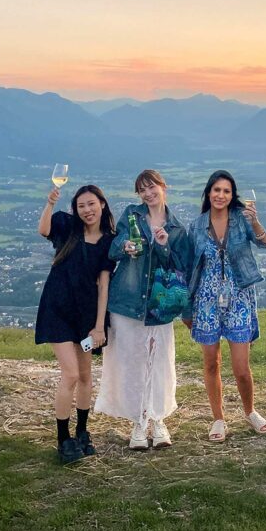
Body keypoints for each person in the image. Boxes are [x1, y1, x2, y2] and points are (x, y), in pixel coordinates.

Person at [95, 170, 192, 450]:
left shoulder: (177, 229)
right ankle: (138, 422)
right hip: (127, 302)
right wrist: (125, 245)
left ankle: (158, 419)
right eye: (142, 190)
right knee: (130, 362)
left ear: (164, 187)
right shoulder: (132, 216)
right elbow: (113, 249)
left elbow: (179, 268)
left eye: (152, 187)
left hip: (159, 304)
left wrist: (162, 247)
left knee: (159, 361)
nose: (148, 194)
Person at [186, 170, 266, 442]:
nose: (220, 195)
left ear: (232, 195)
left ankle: (250, 412)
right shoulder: (197, 226)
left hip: (239, 297)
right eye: (216, 190)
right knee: (211, 363)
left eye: (226, 191)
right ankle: (218, 419)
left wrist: (256, 222)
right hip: (207, 300)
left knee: (241, 367)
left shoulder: (241, 220)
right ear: (208, 193)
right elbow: (190, 267)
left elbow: (265, 243)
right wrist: (187, 307)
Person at [35, 184, 116, 464]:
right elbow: (44, 230)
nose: (87, 210)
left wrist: (98, 326)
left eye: (92, 204)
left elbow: (104, 286)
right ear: (75, 209)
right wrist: (49, 203)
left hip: (86, 314)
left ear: (102, 205)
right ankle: (62, 438)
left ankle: (82, 432)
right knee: (69, 374)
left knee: (85, 376)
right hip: (57, 308)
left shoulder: (109, 241)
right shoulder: (66, 226)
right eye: (81, 206)